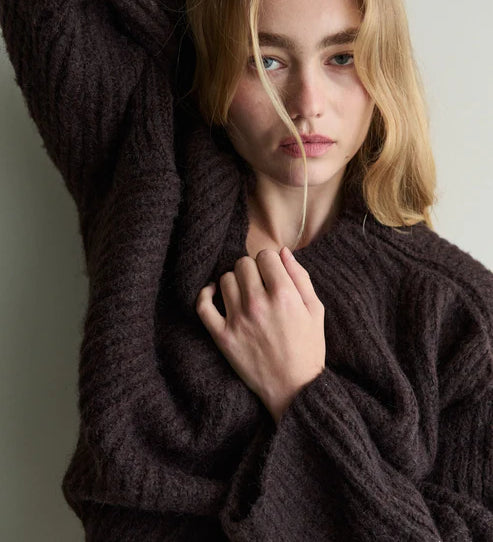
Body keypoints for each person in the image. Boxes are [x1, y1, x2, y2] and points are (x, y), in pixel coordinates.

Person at [1, 0, 492, 540]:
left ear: (386, 68)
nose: (307, 105)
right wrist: (213, 18)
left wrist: (299, 390)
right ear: (214, 68)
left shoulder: (462, 313)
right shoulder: (149, 178)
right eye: (264, 61)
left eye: (343, 58)